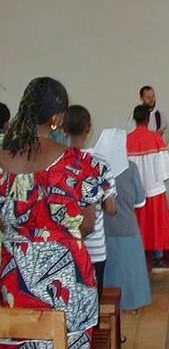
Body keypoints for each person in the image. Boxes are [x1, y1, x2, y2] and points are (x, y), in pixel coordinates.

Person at [0, 77, 114, 349]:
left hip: (14, 275)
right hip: (68, 278)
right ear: (56, 118)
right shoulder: (79, 163)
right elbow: (88, 226)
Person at [63, 105, 117, 300]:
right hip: (95, 250)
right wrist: (98, 196)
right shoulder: (100, 163)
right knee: (93, 305)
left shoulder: (56, 161)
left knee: (66, 304)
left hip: (63, 247)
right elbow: (111, 208)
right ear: (89, 129)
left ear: (63, 128)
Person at [96, 129, 152, 311]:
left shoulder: (95, 168)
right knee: (130, 271)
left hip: (102, 229)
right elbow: (140, 200)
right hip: (127, 227)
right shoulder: (131, 168)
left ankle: (105, 305)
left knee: (107, 270)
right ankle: (132, 303)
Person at [127, 105, 169, 273]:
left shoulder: (127, 141)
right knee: (156, 224)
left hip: (134, 191)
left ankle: (137, 258)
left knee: (137, 224)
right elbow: (165, 170)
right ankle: (158, 259)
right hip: (154, 189)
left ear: (134, 119)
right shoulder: (156, 138)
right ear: (148, 120)